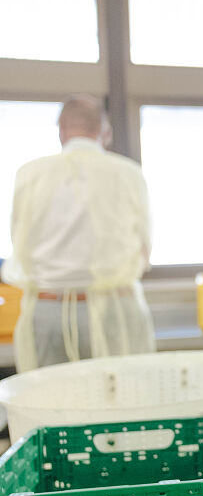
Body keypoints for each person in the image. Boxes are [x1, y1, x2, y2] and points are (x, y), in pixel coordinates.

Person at [2, 95, 154, 372]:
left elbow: (18, 240)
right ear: (104, 132)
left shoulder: (29, 174)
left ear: (61, 130)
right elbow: (144, 248)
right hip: (114, 308)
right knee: (120, 400)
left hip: (47, 310)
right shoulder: (128, 173)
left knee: (49, 402)